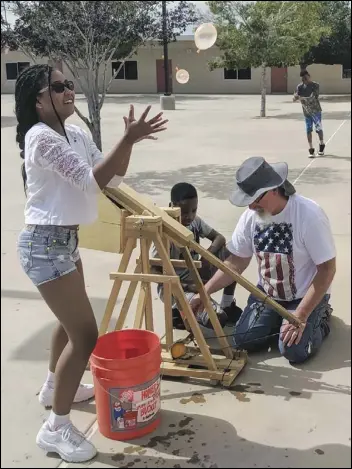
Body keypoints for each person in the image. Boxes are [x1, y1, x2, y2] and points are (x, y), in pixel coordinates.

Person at [15, 64, 168, 463]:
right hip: (44, 246)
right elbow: (90, 182)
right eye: (60, 87)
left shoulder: (77, 133)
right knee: (85, 335)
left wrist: (129, 142)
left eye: (70, 84)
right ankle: (57, 428)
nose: (70, 91)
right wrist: (128, 137)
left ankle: (53, 388)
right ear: (38, 100)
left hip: (65, 242)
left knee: (70, 326)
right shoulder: (40, 138)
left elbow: (112, 174)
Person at [190, 157, 336, 364]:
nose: (251, 206)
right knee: (243, 340)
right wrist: (204, 293)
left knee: (294, 351)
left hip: (304, 297)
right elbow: (236, 262)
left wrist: (302, 315)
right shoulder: (250, 217)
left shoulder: (309, 216)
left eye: (256, 199)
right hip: (268, 295)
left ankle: (319, 317)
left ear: (274, 189)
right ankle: (278, 320)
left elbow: (327, 270)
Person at [152, 182, 242, 330]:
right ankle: (179, 312)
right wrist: (187, 286)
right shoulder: (165, 232)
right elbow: (152, 268)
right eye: (185, 212)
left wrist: (207, 256)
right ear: (171, 206)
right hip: (175, 287)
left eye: (194, 210)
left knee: (233, 253)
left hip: (195, 274)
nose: (190, 216)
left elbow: (219, 238)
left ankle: (227, 304)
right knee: (218, 320)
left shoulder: (195, 222)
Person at [293, 70, 325, 158]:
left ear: (309, 76)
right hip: (306, 112)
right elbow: (295, 96)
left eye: (306, 78)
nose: (304, 81)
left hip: (316, 111)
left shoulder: (315, 85)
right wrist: (295, 97)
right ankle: (311, 149)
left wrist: (301, 98)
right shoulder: (299, 87)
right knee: (308, 129)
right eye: (303, 79)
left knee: (318, 128)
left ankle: (321, 144)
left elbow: (314, 97)